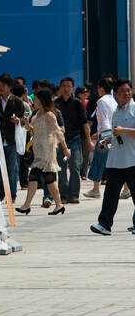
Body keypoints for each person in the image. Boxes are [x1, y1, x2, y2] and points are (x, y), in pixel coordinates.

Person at [91, 80, 135, 234]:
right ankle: (104, 225)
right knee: (110, 196)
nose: (126, 93)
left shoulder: (134, 109)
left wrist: (124, 130)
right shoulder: (117, 111)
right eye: (122, 91)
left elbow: (124, 131)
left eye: (128, 90)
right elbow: (115, 135)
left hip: (132, 161)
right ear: (115, 94)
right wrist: (106, 143)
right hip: (115, 162)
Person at [15, 88, 69, 215]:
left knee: (34, 175)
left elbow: (58, 132)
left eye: (37, 99)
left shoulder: (49, 115)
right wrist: (27, 123)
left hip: (46, 149)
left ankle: (26, 205)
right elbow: (32, 130)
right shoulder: (36, 113)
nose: (34, 100)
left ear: (43, 100)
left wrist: (65, 148)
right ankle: (59, 204)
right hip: (38, 148)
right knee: (49, 178)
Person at [55, 76, 93, 204]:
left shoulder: (77, 103)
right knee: (61, 167)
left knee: (75, 167)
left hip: (75, 139)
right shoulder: (55, 104)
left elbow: (84, 123)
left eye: (68, 86)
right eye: (63, 86)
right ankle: (64, 195)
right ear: (60, 87)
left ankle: (74, 195)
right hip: (60, 140)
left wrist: (88, 140)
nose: (65, 89)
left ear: (72, 88)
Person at [0, 73, 26, 203]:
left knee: (12, 169)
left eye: (3, 85)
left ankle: (11, 194)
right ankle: (1, 193)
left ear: (9, 86)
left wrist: (18, 121)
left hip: (12, 140)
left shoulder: (17, 101)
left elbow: (25, 122)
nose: (0, 88)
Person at [86, 77, 116, 198]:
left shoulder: (102, 101)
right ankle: (125, 188)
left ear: (101, 88)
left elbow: (104, 121)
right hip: (111, 134)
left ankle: (96, 189)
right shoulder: (113, 101)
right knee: (112, 162)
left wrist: (103, 137)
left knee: (99, 161)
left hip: (106, 135)